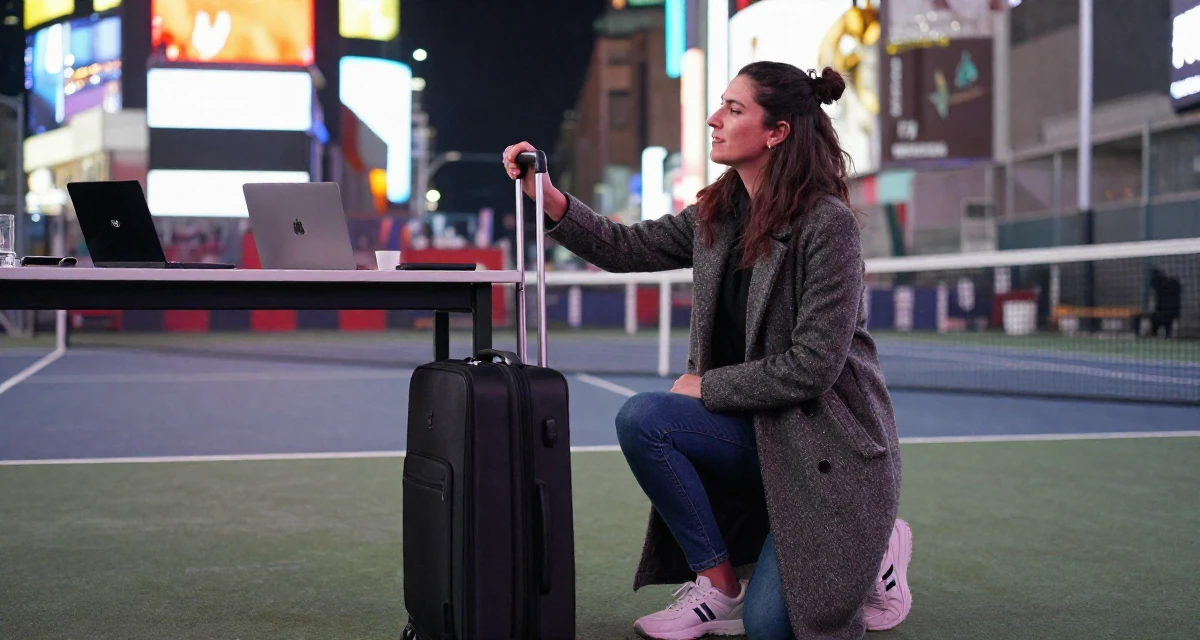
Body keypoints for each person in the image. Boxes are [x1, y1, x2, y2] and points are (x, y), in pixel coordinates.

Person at [503, 62, 911, 640]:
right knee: (645, 418)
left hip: (827, 454)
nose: (714, 119)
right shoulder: (717, 216)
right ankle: (719, 586)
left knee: (775, 628)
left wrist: (708, 386)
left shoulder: (829, 226)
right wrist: (550, 199)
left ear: (778, 132)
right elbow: (624, 247)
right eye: (721, 105)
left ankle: (879, 542)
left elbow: (814, 367)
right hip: (760, 438)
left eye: (734, 109)